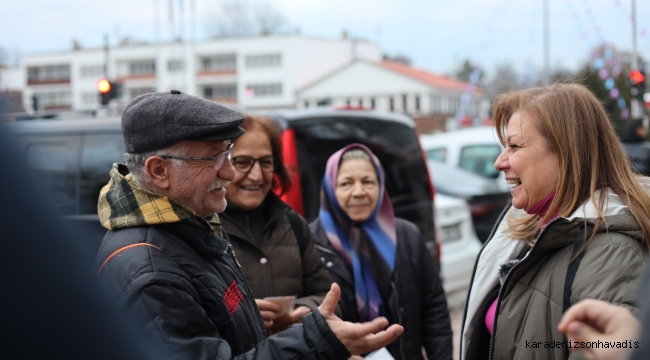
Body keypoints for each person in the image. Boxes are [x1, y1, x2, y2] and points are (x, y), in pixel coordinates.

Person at [95, 90, 403, 360]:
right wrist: (318, 340)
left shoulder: (196, 227)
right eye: (214, 159)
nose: (229, 173)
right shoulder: (151, 273)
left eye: (228, 155)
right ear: (159, 170)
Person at [459, 83, 650, 360]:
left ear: (566, 151)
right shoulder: (529, 228)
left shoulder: (610, 252)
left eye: (514, 146)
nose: (499, 162)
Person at [309, 143, 453, 360]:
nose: (359, 192)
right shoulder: (311, 242)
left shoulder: (407, 236)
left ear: (381, 185)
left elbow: (434, 312)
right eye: (346, 183)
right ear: (330, 189)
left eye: (368, 182)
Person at [220, 114, 336, 333]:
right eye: (242, 162)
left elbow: (331, 298)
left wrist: (304, 312)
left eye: (266, 162)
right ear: (220, 164)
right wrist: (242, 315)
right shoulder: (203, 230)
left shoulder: (293, 224)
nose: (256, 176)